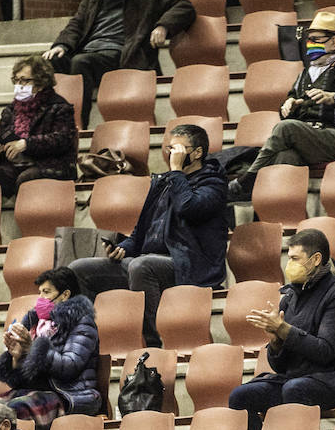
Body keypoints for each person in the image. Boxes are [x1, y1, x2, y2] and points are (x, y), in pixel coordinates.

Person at [69, 123, 229, 348]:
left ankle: (152, 344)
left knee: (142, 266)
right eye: (169, 150)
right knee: (79, 269)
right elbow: (140, 231)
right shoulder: (162, 183)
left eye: (177, 150)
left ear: (197, 152)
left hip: (189, 264)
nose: (171, 155)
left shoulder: (214, 183)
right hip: (148, 261)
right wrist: (124, 248)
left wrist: (175, 172)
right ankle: (87, 342)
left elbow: (189, 207)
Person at [228, 229, 335, 430]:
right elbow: (279, 366)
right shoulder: (290, 297)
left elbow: (325, 351)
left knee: (294, 389)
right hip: (295, 379)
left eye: (295, 258)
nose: (289, 265)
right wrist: (276, 343)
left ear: (315, 259)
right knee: (241, 397)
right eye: (288, 257)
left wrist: (284, 330)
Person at [227, 11, 335, 203]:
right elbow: (291, 102)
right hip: (310, 138)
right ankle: (276, 213)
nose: (310, 44)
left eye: (316, 39)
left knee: (286, 128)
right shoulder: (306, 72)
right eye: (309, 39)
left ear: (333, 42)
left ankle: (247, 181)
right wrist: (289, 105)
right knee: (285, 156)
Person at [40, 0, 196, 126]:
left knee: (81, 62)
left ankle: (75, 125)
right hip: (90, 53)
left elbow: (185, 7)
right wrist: (62, 45)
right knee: (46, 64)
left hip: (123, 55)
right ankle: (46, 123)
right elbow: (76, 24)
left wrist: (163, 26)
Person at [0, 268, 101, 430]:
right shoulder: (35, 323)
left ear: (65, 294)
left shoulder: (82, 323)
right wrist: (16, 357)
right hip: (33, 391)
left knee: (9, 412)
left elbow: (70, 366)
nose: (40, 299)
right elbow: (18, 381)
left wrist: (32, 349)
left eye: (47, 292)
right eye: (40, 293)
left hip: (68, 393)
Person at [0, 55, 79, 196]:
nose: (19, 85)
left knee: (27, 179)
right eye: (16, 80)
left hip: (51, 164)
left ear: (41, 82)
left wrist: (26, 144)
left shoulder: (59, 107)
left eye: (24, 80)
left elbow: (62, 140)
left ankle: (30, 216)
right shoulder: (10, 110)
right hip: (15, 165)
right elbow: (1, 137)